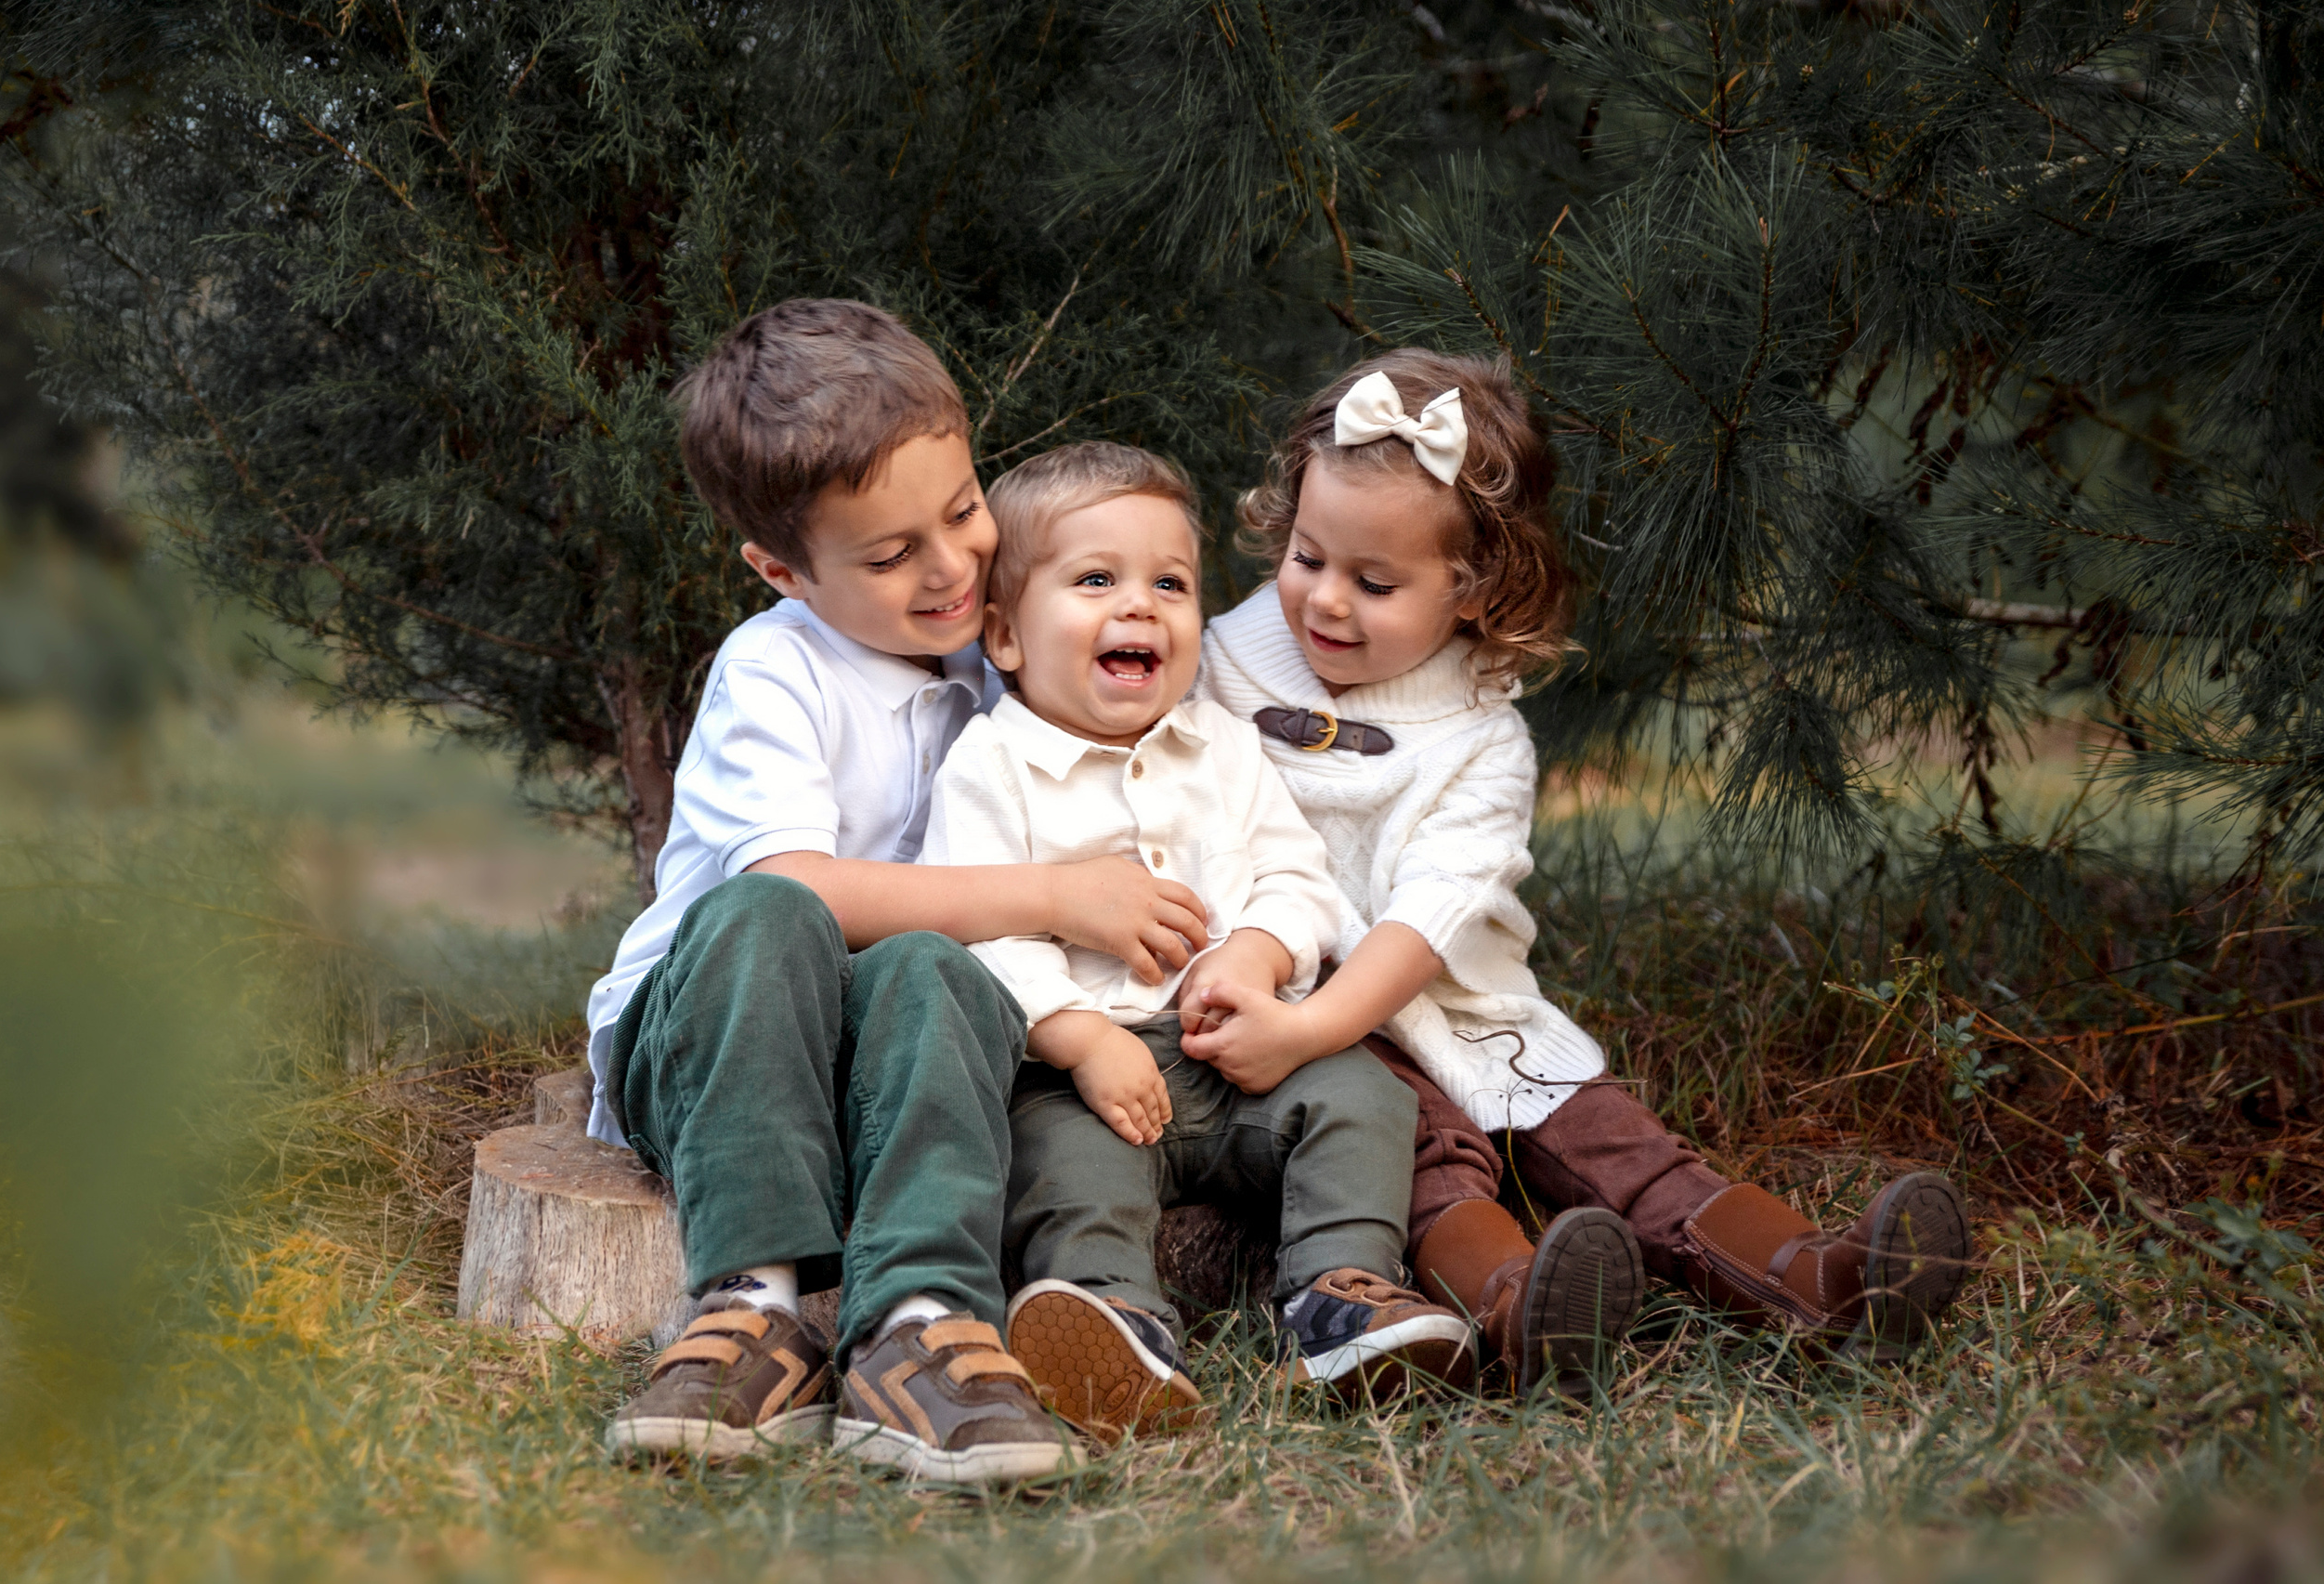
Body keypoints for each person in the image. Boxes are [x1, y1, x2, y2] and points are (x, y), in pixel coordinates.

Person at [1187, 350, 1974, 1390]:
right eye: (1305, 556)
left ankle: (1818, 1279)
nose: (1326, 601)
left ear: (1473, 588)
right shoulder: (1218, 660)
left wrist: (1317, 1024)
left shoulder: (1481, 739)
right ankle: (1527, 1305)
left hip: (1462, 1010)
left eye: (1375, 582)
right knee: (1422, 1161)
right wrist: (1298, 1025)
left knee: (1613, 1139)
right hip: (1298, 1008)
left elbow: (1429, 918)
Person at [589, 301, 1219, 1486]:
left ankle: (917, 1324)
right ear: (784, 569)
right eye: (888, 556)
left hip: (884, 1047)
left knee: (937, 968)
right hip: (720, 1031)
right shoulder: (776, 669)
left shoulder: (1002, 648)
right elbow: (799, 890)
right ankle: (753, 1307)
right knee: (777, 912)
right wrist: (1059, 894)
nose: (951, 567)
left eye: (964, 509)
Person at [920, 440, 1476, 1447]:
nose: (1140, 606)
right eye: (1096, 580)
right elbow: (978, 935)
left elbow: (1294, 874)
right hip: (1077, 1077)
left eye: (1168, 584)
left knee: (1360, 1096)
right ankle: (1115, 1321)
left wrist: (1260, 952)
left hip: (1236, 1059)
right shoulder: (989, 767)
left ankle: (1343, 1298)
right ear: (1002, 634)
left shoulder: (1217, 743)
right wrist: (1083, 1037)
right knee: (1059, 1167)